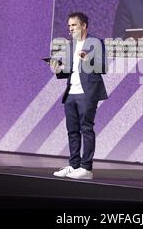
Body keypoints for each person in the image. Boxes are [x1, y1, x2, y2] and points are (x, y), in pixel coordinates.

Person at [50, 12, 107, 180]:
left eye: (73, 25)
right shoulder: (70, 45)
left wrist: (89, 58)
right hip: (71, 93)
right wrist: (58, 70)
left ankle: (86, 168)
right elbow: (68, 70)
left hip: (87, 92)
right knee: (72, 131)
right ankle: (74, 165)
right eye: (69, 25)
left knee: (86, 128)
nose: (70, 28)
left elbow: (103, 67)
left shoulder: (95, 42)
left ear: (83, 25)